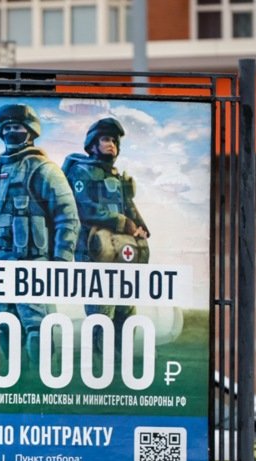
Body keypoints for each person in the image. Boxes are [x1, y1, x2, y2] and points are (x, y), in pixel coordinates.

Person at [0, 104, 80, 366]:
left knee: (37, 325)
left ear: (30, 132)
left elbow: (68, 216)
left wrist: (61, 263)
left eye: (17, 128)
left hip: (33, 265)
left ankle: (42, 383)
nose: (11, 132)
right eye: (6, 128)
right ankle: (15, 383)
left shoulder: (44, 169)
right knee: (4, 325)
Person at [62, 117, 150, 359]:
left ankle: (122, 362)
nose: (110, 144)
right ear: (92, 144)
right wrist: (123, 222)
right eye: (105, 139)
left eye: (114, 140)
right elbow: (85, 208)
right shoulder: (81, 172)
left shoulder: (118, 177)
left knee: (126, 308)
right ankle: (100, 366)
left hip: (120, 251)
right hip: (92, 250)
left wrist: (140, 227)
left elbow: (128, 205)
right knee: (101, 312)